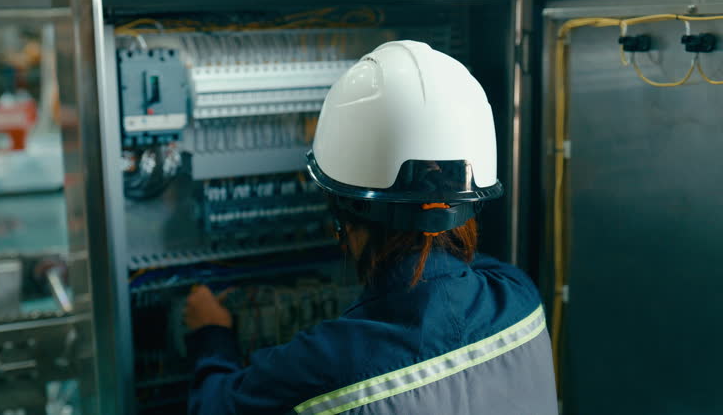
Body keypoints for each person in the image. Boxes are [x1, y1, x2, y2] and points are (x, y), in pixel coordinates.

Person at [184, 41, 557, 415]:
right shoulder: (521, 298)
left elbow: (212, 407)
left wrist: (210, 333)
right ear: (471, 200)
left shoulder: (324, 367)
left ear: (343, 215)